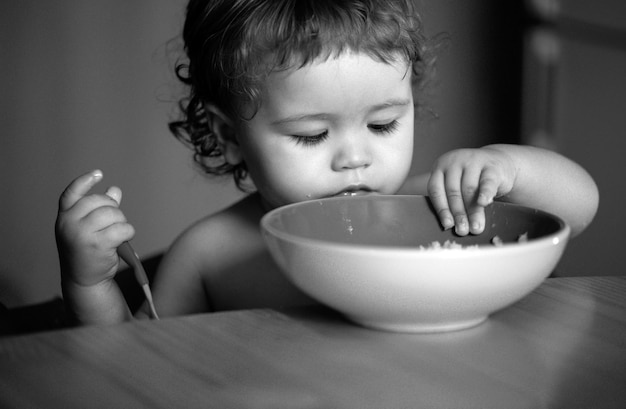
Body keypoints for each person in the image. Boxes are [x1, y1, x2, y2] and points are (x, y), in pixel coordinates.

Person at [55, 0, 599, 325]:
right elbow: (146, 360)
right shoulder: (210, 253)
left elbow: (579, 208)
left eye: (383, 124)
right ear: (231, 135)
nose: (355, 158)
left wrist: (506, 166)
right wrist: (90, 286)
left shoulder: (433, 205)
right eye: (313, 135)